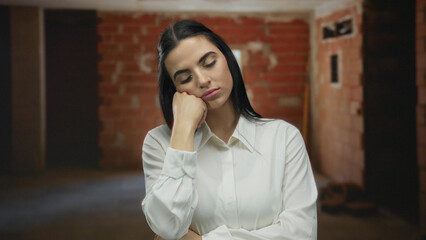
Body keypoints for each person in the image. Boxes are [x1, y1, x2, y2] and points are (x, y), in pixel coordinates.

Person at [141, 20, 317, 240]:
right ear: (175, 90)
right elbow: (166, 225)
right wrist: (183, 130)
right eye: (186, 78)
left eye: (209, 63)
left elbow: (301, 234)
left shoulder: (284, 138)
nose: (203, 80)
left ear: (227, 59)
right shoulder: (158, 143)